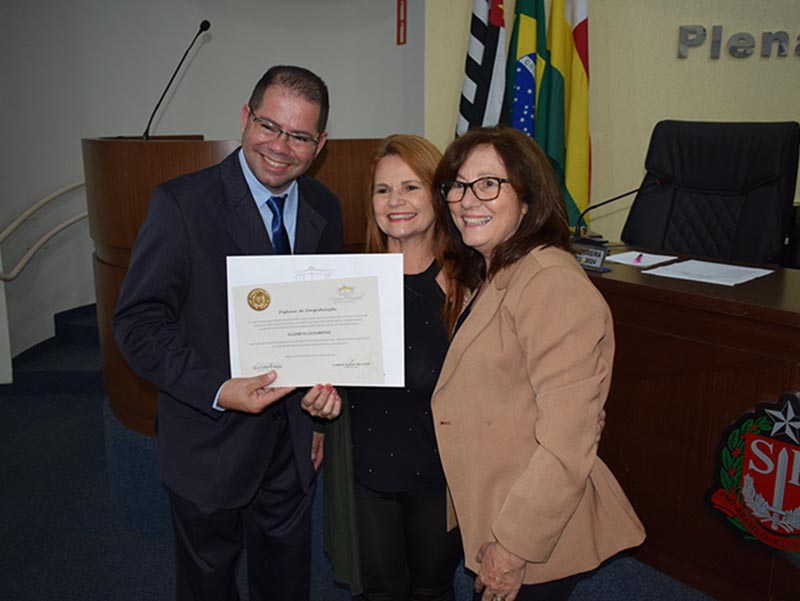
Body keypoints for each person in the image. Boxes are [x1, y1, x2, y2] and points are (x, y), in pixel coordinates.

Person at [112, 65, 342, 601]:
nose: (281, 147)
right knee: (207, 587)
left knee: (286, 585)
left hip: (292, 444)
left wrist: (323, 415)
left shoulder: (324, 208)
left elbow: (323, 323)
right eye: (269, 126)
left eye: (300, 135)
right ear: (245, 117)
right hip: (208, 445)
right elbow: (138, 325)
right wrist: (219, 388)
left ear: (320, 143)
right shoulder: (181, 205)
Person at [430, 126, 646, 601]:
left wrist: (512, 548)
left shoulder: (551, 283)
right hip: (499, 497)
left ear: (527, 199)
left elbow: (568, 442)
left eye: (489, 184)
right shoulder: (498, 269)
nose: (468, 199)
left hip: (530, 526)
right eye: (457, 185)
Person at [321, 135, 464, 601]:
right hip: (368, 476)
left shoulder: (469, 286)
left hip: (440, 477)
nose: (395, 202)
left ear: (437, 195)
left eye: (411, 187)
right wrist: (318, 397)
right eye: (383, 190)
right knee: (379, 592)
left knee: (432, 591)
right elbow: (328, 373)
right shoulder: (345, 283)